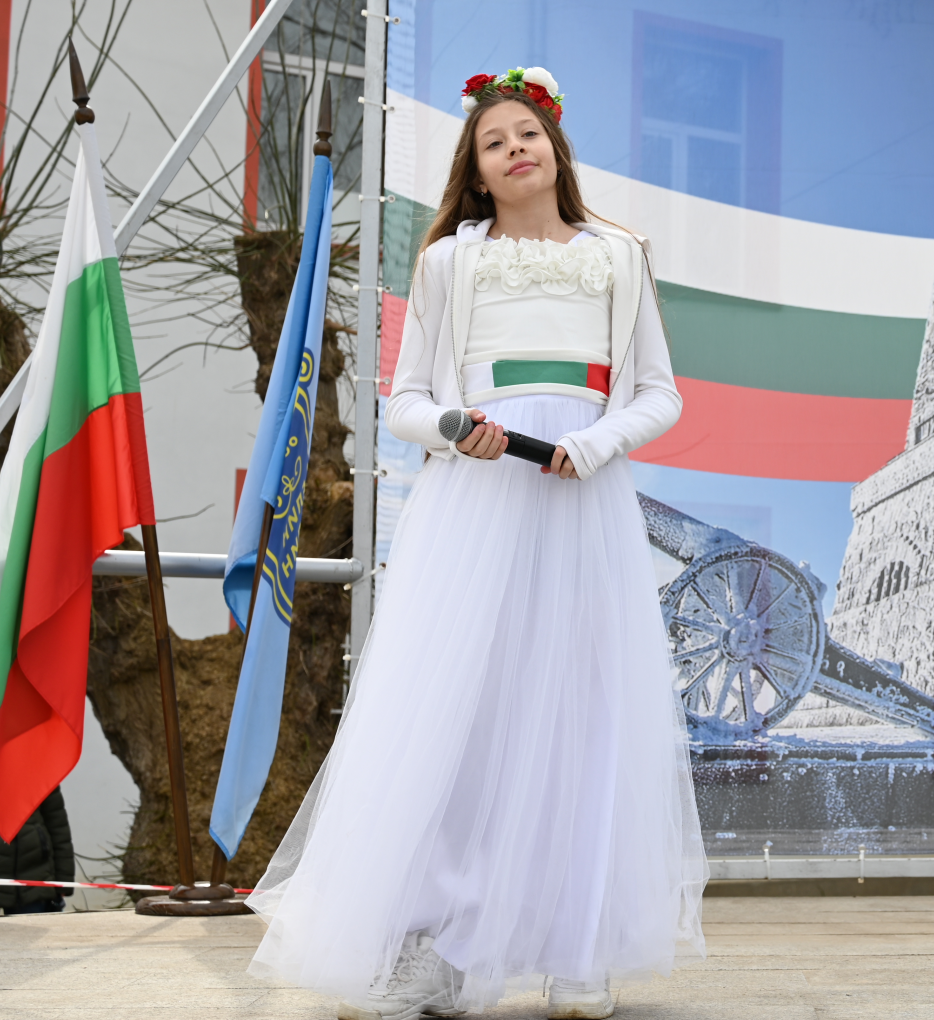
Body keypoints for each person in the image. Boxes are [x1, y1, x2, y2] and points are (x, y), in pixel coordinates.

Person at [245, 67, 705, 1020]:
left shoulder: (620, 255)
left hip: (583, 506)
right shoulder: (451, 263)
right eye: (494, 142)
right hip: (478, 509)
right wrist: (458, 429)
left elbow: (659, 391)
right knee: (464, 713)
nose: (514, 149)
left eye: (526, 133)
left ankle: (580, 950)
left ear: (556, 149)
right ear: (478, 170)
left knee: (583, 713)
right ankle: (439, 950)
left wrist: (597, 441)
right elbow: (406, 399)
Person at [0, 784, 73, 915]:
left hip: (34, 879)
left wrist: (64, 881)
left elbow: (58, 829)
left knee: (32, 928)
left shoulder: (39, 775)